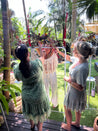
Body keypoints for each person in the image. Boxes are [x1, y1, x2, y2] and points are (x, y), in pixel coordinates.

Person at [13, 44, 51, 131]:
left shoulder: (17, 69)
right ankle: (40, 129)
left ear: (18, 56)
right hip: (39, 95)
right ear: (28, 54)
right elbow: (42, 57)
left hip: (27, 96)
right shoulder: (36, 64)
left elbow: (18, 79)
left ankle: (32, 126)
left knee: (30, 112)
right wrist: (40, 48)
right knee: (39, 113)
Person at [61, 40, 95, 131]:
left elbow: (80, 87)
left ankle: (68, 127)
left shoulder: (82, 68)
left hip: (75, 92)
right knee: (77, 108)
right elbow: (69, 58)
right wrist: (58, 52)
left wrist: (69, 80)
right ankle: (77, 123)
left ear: (79, 53)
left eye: (75, 49)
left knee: (66, 107)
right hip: (72, 90)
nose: (73, 50)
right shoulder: (79, 60)